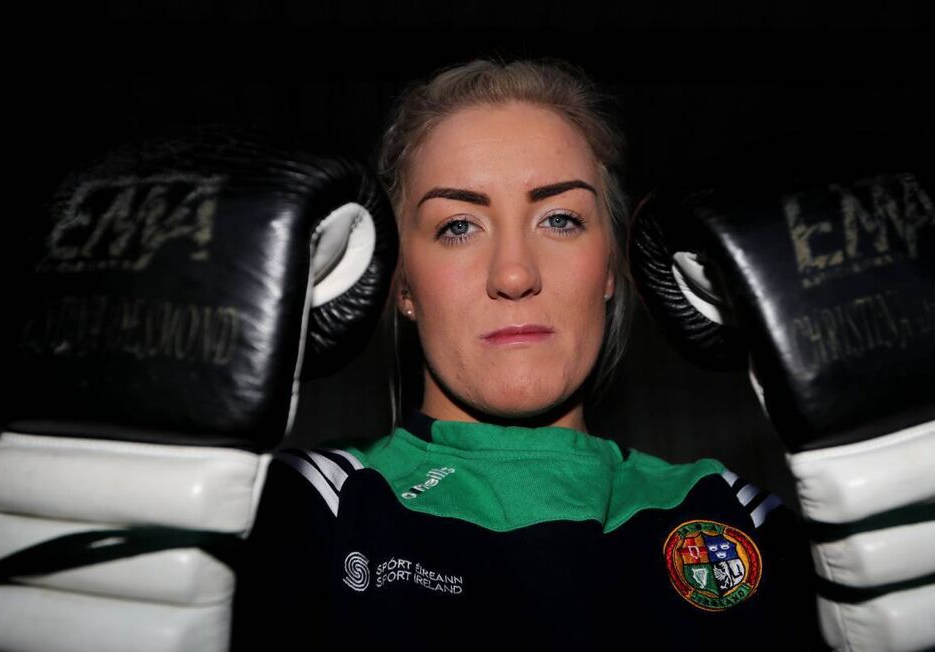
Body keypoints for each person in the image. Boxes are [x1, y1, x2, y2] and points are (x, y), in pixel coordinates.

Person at [230, 57, 820, 649]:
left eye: (560, 219)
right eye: (458, 226)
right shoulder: (305, 508)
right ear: (402, 285)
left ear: (611, 268)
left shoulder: (734, 517)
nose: (514, 274)